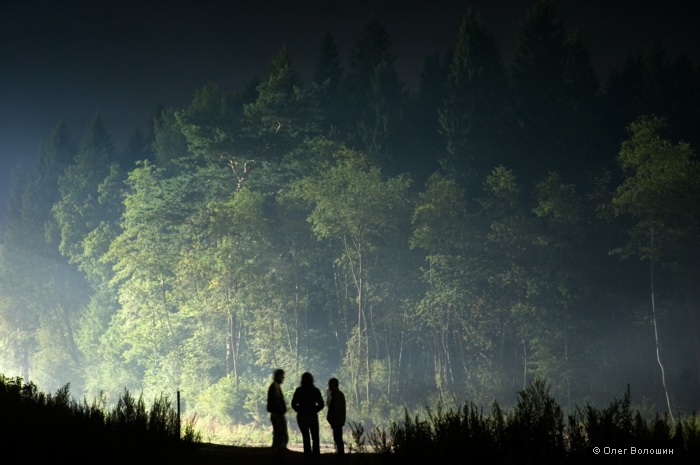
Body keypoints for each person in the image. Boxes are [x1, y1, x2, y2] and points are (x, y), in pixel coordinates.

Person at [291, 372, 325, 461]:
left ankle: (307, 456)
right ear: (311, 380)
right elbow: (321, 404)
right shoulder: (315, 390)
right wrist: (314, 410)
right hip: (313, 416)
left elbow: (293, 404)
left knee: (306, 437)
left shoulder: (299, 390)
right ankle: (316, 456)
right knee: (315, 437)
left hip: (302, 417)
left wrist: (299, 410)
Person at [267, 369, 288, 454]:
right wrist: (281, 410)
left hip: (276, 413)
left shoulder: (274, 386)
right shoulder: (275, 386)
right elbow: (278, 401)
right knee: (280, 433)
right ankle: (277, 451)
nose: (283, 377)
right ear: (279, 376)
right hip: (277, 414)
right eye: (282, 375)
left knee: (278, 433)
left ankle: (276, 451)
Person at [326, 377, 346, 458]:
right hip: (339, 420)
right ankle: (340, 455)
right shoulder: (340, 394)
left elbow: (329, 405)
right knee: (338, 438)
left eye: (329, 385)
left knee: (337, 439)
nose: (328, 387)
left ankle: (341, 456)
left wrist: (331, 419)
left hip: (336, 420)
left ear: (332, 385)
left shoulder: (335, 395)